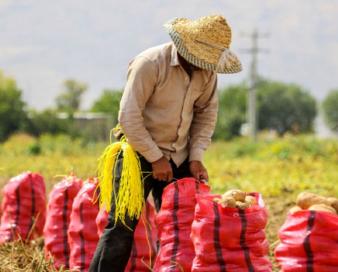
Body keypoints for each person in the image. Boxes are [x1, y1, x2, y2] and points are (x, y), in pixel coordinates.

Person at [89, 14, 241, 272]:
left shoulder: (207, 73)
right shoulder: (150, 64)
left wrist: (196, 157)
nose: (205, 65)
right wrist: (155, 158)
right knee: (122, 225)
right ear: (186, 47)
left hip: (179, 156)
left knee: (180, 227)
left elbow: (206, 115)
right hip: (136, 153)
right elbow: (128, 117)